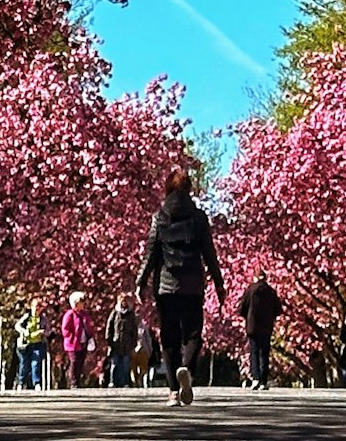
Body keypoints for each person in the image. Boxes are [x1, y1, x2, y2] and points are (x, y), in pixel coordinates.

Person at [137, 167, 226, 408]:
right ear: (189, 190)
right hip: (193, 284)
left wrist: (141, 281)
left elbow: (151, 252)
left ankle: (173, 392)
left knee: (169, 337)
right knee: (193, 333)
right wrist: (218, 283)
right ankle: (186, 368)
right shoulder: (198, 218)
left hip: (166, 286)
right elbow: (209, 252)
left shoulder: (160, 217)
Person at [238, 270, 283, 391]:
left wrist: (248, 317)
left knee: (254, 352)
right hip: (266, 327)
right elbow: (279, 309)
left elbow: (242, 308)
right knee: (264, 352)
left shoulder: (250, 290)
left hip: (252, 326)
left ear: (255, 278)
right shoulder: (271, 291)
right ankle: (263, 380)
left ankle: (255, 378)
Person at [62, 292, 96, 389]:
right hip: (73, 343)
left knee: (80, 362)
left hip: (83, 342)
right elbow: (65, 329)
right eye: (81, 302)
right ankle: (73, 382)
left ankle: (78, 381)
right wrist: (72, 337)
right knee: (74, 361)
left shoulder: (84, 314)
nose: (83, 304)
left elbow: (89, 326)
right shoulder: (69, 314)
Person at [105, 294, 139, 388]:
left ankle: (125, 382)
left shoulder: (131, 315)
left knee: (125, 365)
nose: (124, 303)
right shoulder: (115, 313)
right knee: (114, 364)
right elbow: (109, 327)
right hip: (116, 344)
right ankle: (113, 382)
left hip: (127, 345)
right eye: (122, 301)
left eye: (126, 301)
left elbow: (134, 330)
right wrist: (109, 341)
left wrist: (133, 344)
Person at [17, 301, 47, 389]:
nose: (37, 309)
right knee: (24, 364)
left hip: (38, 344)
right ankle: (21, 382)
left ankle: (36, 383)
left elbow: (48, 329)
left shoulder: (43, 318)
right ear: (31, 307)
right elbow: (17, 326)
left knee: (36, 363)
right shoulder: (27, 317)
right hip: (25, 344)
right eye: (35, 306)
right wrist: (24, 331)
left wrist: (43, 333)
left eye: (39, 307)